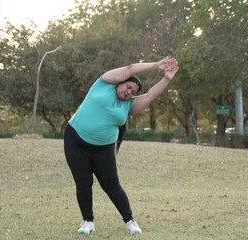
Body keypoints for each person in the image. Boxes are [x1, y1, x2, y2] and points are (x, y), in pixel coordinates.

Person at [63, 57, 179, 235]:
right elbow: (130, 69)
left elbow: (149, 96)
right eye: (128, 87)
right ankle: (88, 222)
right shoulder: (103, 84)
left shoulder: (129, 105)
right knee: (83, 182)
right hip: (75, 140)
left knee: (111, 185)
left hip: (103, 149)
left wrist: (166, 79)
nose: (129, 92)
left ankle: (130, 221)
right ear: (120, 82)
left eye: (133, 92)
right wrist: (156, 66)